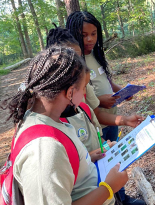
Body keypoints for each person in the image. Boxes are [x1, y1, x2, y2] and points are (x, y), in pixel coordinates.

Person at [2, 46, 128, 205]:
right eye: (83, 88)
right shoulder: (44, 150)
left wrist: (87, 157)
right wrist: (109, 188)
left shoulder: (44, 119)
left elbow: (62, 166)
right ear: (69, 93)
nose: (84, 94)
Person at [65, 14, 147, 205]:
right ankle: (110, 198)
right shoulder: (75, 59)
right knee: (98, 167)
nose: (90, 39)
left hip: (111, 118)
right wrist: (101, 102)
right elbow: (87, 99)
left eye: (94, 34)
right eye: (84, 34)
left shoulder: (95, 54)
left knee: (114, 160)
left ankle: (121, 198)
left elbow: (105, 79)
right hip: (94, 123)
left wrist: (121, 91)